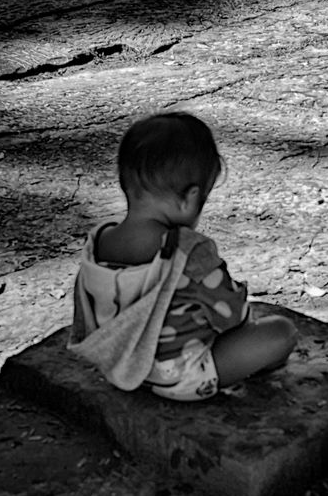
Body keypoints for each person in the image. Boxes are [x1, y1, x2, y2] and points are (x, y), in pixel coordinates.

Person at [68, 112, 297, 401]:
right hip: (178, 378)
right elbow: (233, 316)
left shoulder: (99, 241)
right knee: (281, 332)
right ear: (190, 197)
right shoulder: (187, 251)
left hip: (118, 367)